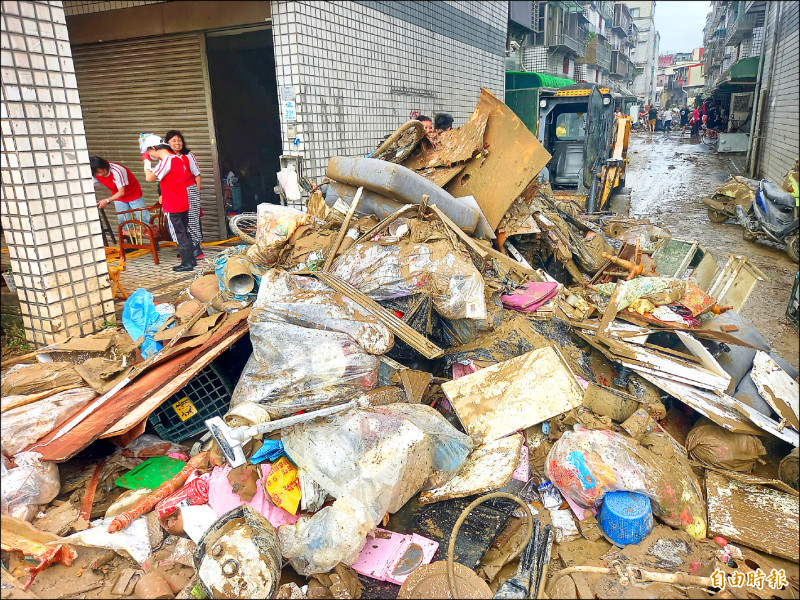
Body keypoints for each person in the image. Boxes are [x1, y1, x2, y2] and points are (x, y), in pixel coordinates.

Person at [140, 134, 195, 272]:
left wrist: (146, 163)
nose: (150, 155)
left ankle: (186, 263)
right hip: (182, 201)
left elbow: (149, 178)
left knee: (178, 233)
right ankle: (191, 260)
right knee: (184, 231)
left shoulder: (165, 161)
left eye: (149, 152)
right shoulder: (177, 158)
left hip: (172, 203)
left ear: (153, 148)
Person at [164, 130, 204, 260]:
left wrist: (196, 192)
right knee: (180, 221)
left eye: (179, 140)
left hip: (189, 190)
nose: (177, 143)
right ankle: (185, 249)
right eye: (174, 140)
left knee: (192, 220)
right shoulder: (166, 157)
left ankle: (196, 248)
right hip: (174, 193)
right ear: (167, 143)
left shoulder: (188, 155)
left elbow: (197, 174)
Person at [90, 156, 150, 233]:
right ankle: (130, 243)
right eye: (97, 173)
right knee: (124, 221)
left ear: (105, 165)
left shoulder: (117, 170)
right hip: (117, 196)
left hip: (133, 193)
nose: (101, 174)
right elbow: (93, 186)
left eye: (102, 171)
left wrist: (107, 200)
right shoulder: (95, 174)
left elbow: (122, 192)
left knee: (143, 217)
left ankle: (153, 240)